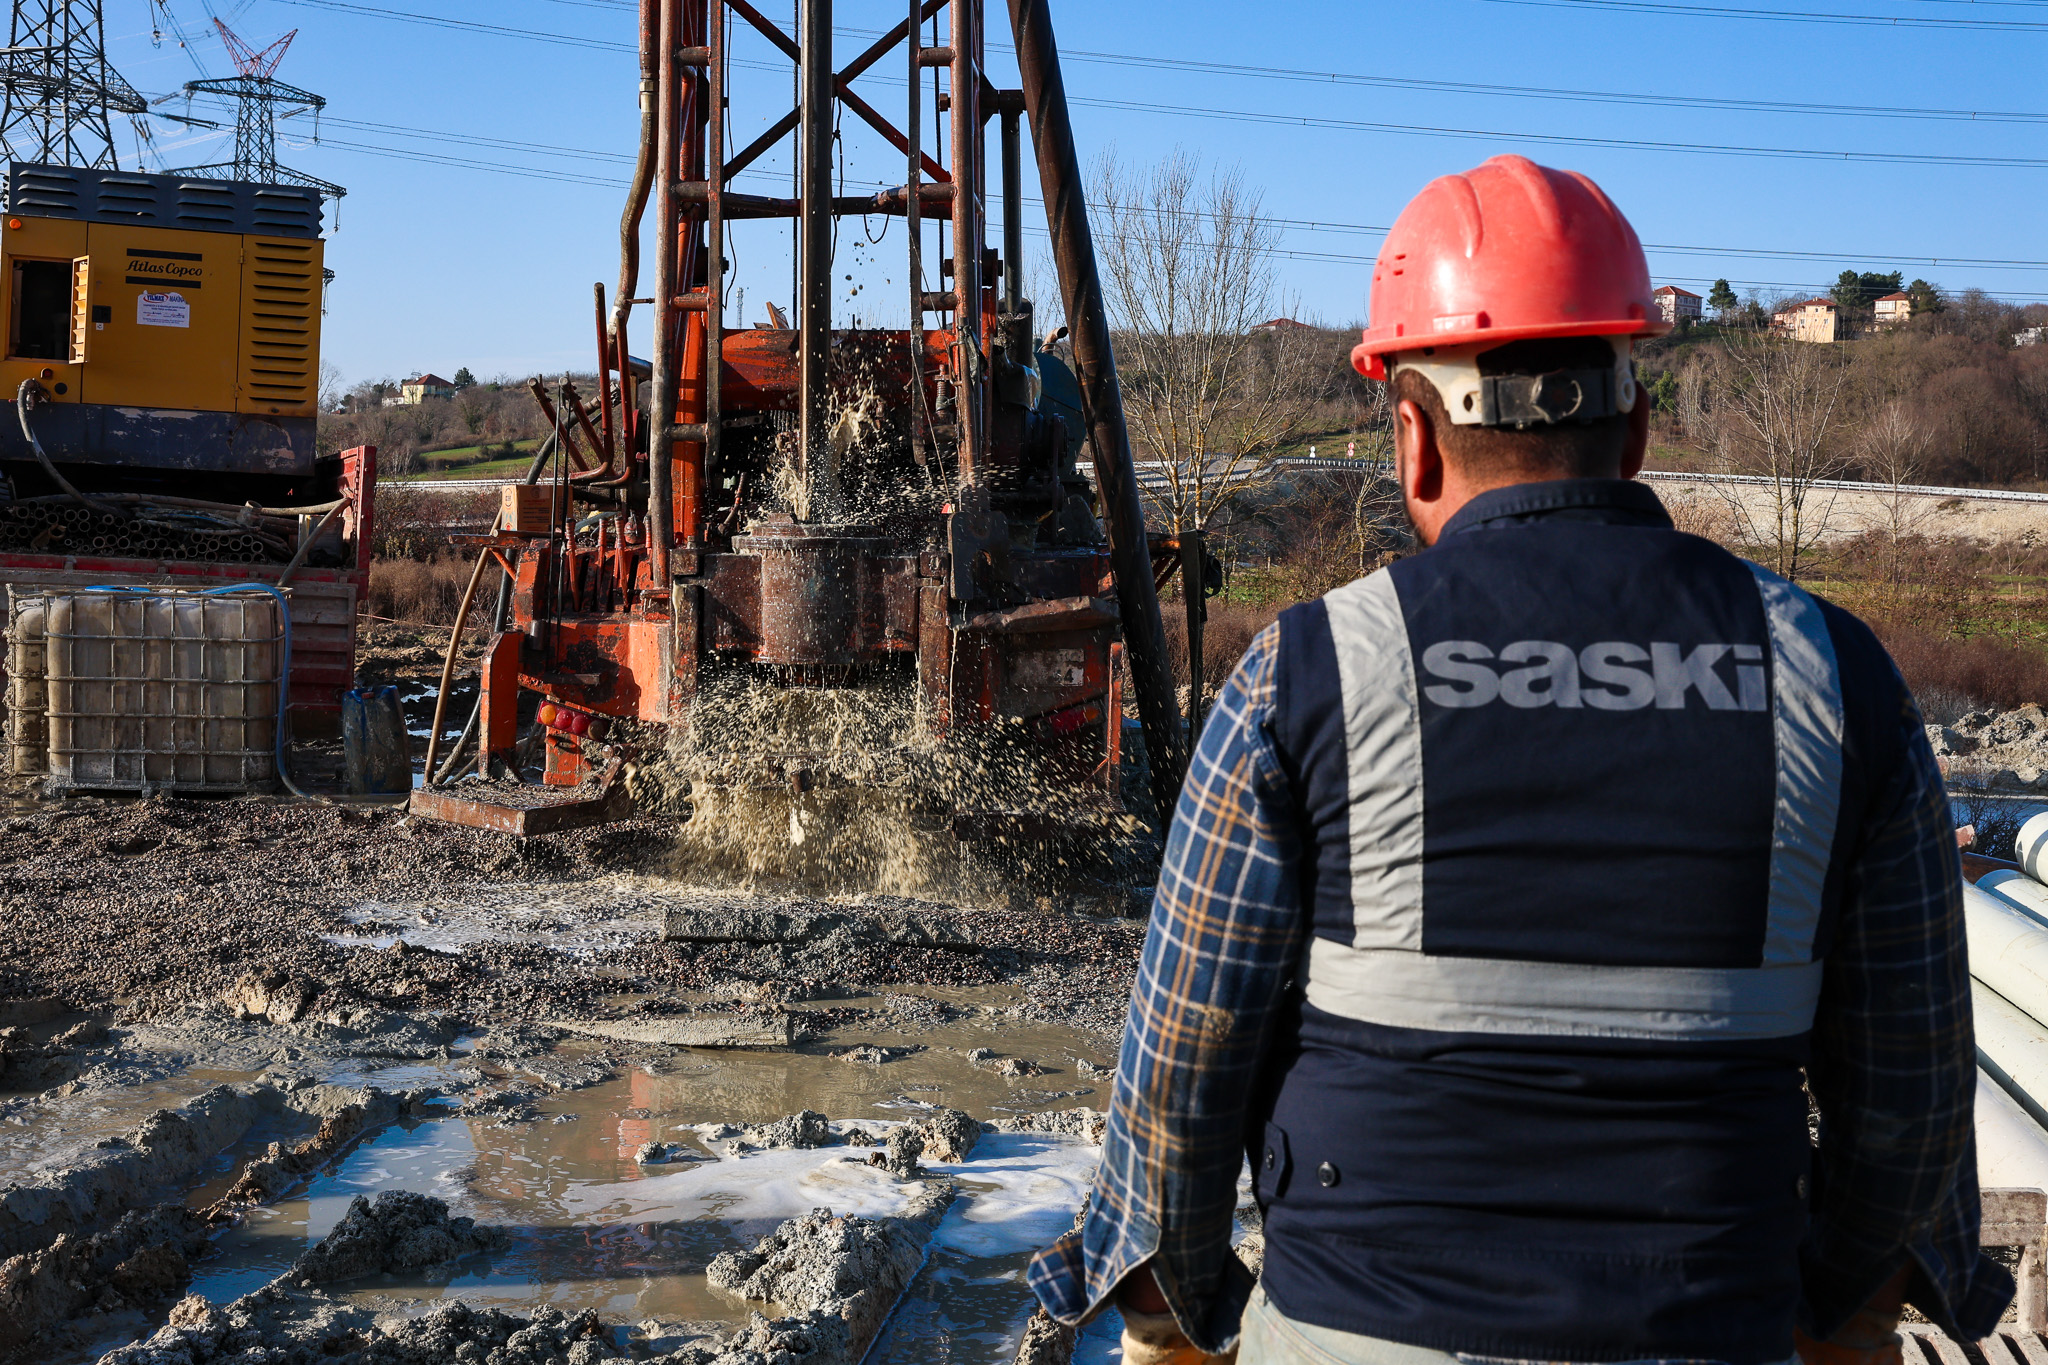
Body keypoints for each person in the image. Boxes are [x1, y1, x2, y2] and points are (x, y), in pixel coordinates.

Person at [1026, 154, 2011, 1365]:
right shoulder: (1834, 674)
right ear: (1635, 428)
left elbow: (1179, 1074)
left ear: (1411, 439)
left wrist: (1179, 1318)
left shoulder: (1308, 671)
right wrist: (1834, 1301)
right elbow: (1907, 1094)